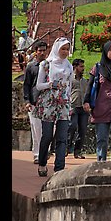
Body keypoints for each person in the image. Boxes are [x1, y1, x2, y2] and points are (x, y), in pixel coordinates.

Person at [33, 37, 73, 176]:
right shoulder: (46, 64)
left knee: (62, 137)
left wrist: (69, 102)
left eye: (67, 49)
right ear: (57, 48)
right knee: (47, 136)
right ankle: (43, 163)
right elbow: (38, 85)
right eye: (63, 49)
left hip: (63, 103)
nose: (65, 52)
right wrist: (50, 85)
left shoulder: (68, 65)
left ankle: (59, 169)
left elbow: (70, 85)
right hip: (49, 102)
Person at [23, 40, 48, 164]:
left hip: (48, 103)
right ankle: (38, 153)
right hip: (34, 102)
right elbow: (26, 85)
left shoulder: (50, 65)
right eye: (40, 51)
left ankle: (44, 150)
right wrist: (27, 100)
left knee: (48, 130)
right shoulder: (31, 67)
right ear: (35, 51)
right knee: (36, 129)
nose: (42, 53)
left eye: (44, 50)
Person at [66, 58, 89, 158]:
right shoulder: (70, 79)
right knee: (72, 127)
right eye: (81, 66)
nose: (83, 68)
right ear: (75, 67)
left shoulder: (85, 81)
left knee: (82, 130)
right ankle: (66, 147)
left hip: (83, 108)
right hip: (73, 106)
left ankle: (77, 151)